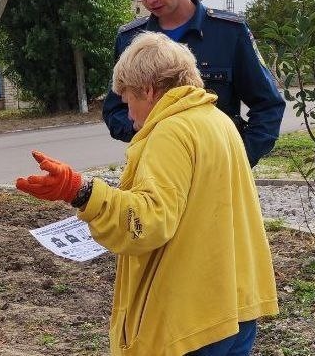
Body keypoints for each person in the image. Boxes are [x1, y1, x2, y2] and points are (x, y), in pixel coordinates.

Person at [16, 31, 279, 356]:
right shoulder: (218, 120)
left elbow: (148, 221)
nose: (129, 116)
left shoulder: (170, 131)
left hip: (192, 321)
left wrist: (80, 191)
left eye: (129, 101)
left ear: (149, 90)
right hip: (234, 307)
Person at [103, 0, 285, 167]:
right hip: (156, 169)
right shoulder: (131, 41)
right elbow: (113, 111)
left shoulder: (229, 33)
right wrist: (144, 128)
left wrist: (238, 159)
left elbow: (268, 105)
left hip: (216, 169)